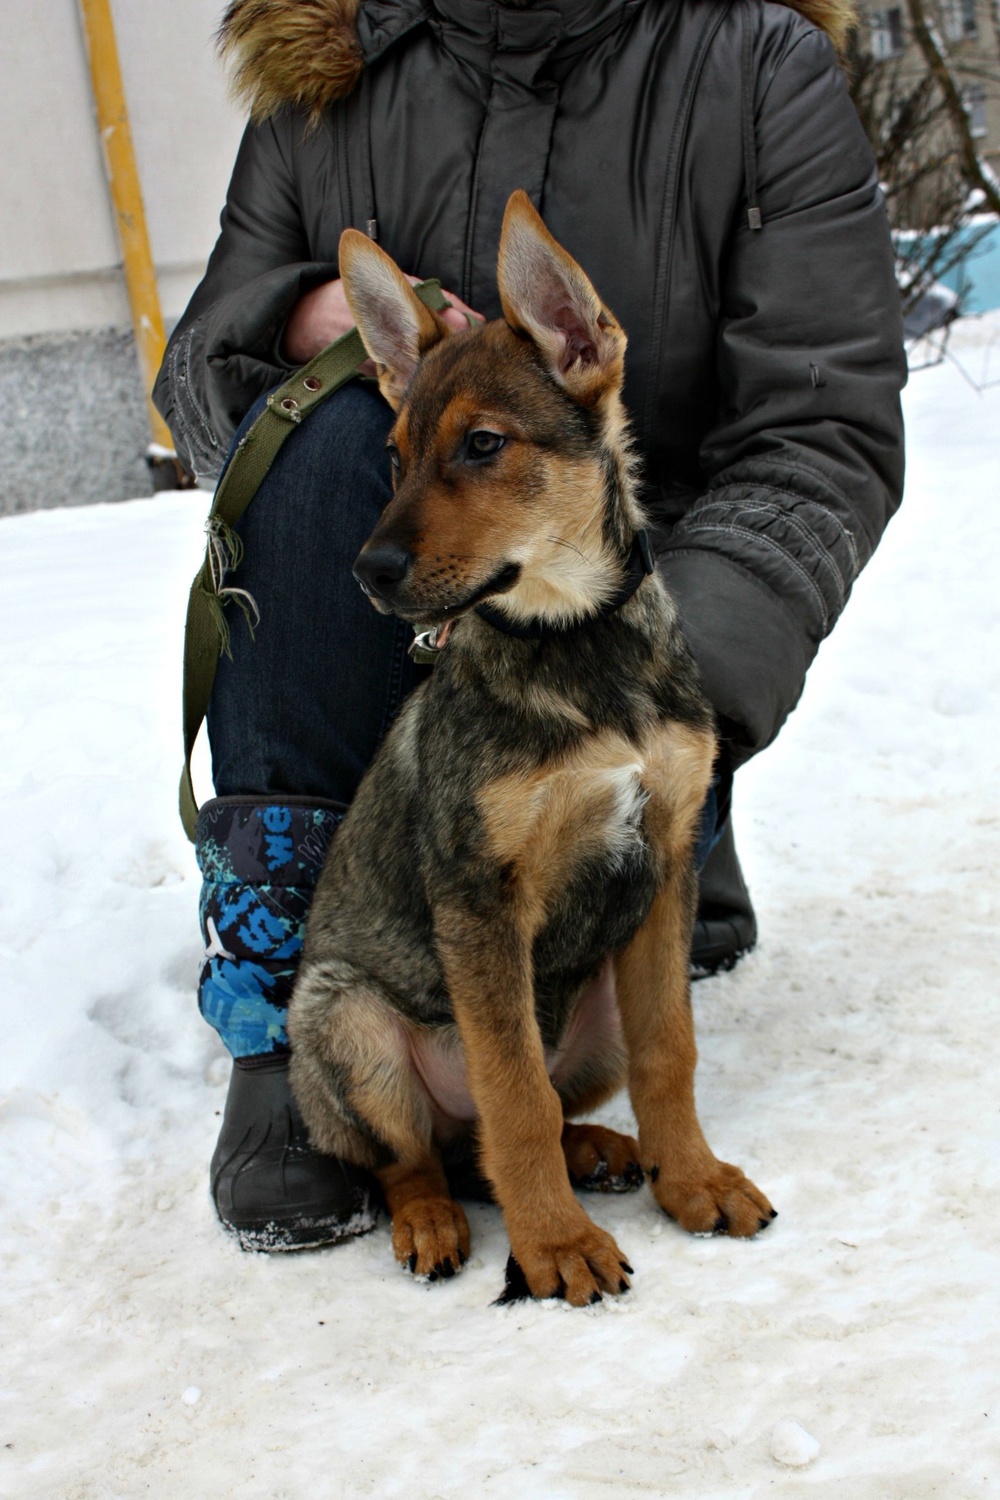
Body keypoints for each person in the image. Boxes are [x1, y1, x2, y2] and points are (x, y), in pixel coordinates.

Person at [154, 0, 906, 1252]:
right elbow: (199, 385)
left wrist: (659, 701)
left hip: (633, 643)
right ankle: (295, 990)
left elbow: (818, 433)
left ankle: (605, 962)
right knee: (328, 437)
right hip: (377, 722)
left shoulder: (753, 60)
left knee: (604, 888)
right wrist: (294, 328)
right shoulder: (319, 76)